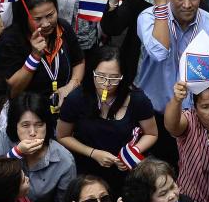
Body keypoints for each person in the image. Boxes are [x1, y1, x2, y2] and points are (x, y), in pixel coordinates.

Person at [57, 45, 159, 192]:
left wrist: (131, 152)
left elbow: (151, 133)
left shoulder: (137, 99)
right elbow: (62, 135)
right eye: (100, 76)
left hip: (127, 174)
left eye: (114, 78)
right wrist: (93, 153)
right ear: (92, 72)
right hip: (88, 173)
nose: (106, 83)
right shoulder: (76, 99)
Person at [99, 0, 189, 86]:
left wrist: (162, 5)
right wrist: (113, 1)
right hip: (137, 76)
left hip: (171, 83)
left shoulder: (188, 1)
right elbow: (112, 28)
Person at [0, 92, 77, 202]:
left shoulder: (64, 160)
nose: (33, 132)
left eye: (39, 125)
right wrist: (16, 153)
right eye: (25, 125)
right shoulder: (3, 138)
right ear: (14, 125)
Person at [0, 0, 85, 104]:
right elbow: (11, 91)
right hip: (30, 113)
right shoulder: (9, 42)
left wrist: (71, 86)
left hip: (65, 108)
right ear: (24, 17)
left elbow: (79, 61)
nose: (46, 23)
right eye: (37, 19)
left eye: (50, 15)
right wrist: (34, 57)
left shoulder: (63, 28)